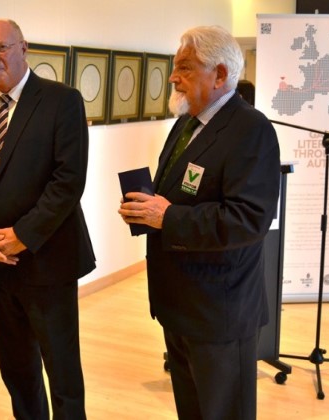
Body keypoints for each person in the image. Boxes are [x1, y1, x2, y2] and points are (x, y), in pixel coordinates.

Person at [119, 26, 280, 420]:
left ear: (220, 75)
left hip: (219, 313)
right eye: (176, 68)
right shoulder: (186, 123)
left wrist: (166, 216)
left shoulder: (251, 129)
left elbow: (247, 220)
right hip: (179, 305)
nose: (173, 77)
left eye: (185, 68)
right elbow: (175, 195)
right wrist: (146, 208)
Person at [0, 18, 95, 420]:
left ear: (23, 47)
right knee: (17, 370)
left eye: (1, 47)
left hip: (48, 260)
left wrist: (22, 236)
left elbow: (67, 182)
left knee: (62, 373)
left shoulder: (61, 100)